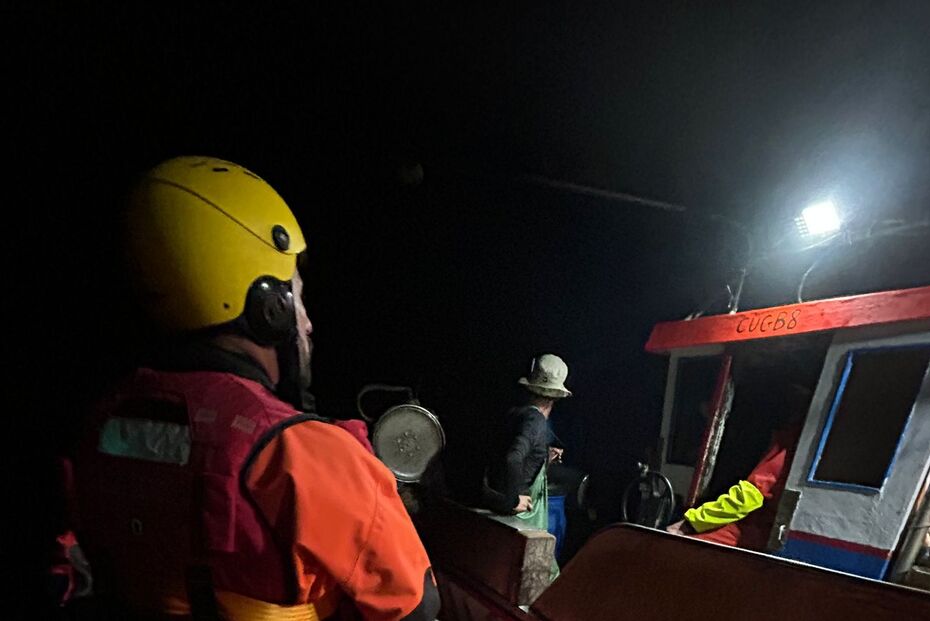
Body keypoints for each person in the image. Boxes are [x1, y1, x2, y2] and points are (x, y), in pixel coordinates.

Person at [71, 156, 440, 621]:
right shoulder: (300, 453)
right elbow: (416, 606)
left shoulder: (103, 421)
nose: (307, 323)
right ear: (269, 307)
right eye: (298, 296)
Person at [667, 384, 812, 552]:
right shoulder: (795, 439)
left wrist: (691, 524)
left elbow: (749, 497)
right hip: (758, 526)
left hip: (759, 530)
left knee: (679, 548)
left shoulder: (791, 441)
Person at [481, 354, 571, 574]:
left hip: (497, 510)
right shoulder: (536, 421)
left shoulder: (515, 414)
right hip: (521, 518)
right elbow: (512, 458)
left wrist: (542, 457)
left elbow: (514, 456)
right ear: (554, 398)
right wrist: (512, 500)